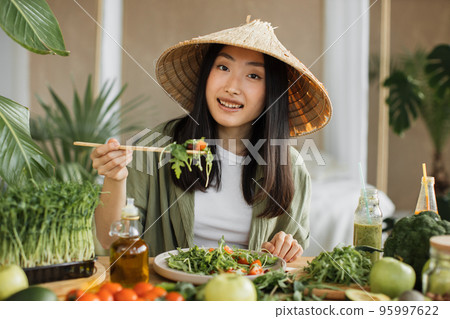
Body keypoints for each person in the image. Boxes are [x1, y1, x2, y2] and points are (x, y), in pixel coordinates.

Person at [91, 18, 332, 262]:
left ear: (272, 92)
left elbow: (290, 262)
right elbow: (110, 241)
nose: (232, 87)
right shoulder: (155, 145)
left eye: (253, 75)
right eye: (223, 68)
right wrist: (115, 177)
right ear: (207, 74)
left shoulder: (291, 167)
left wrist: (286, 248)